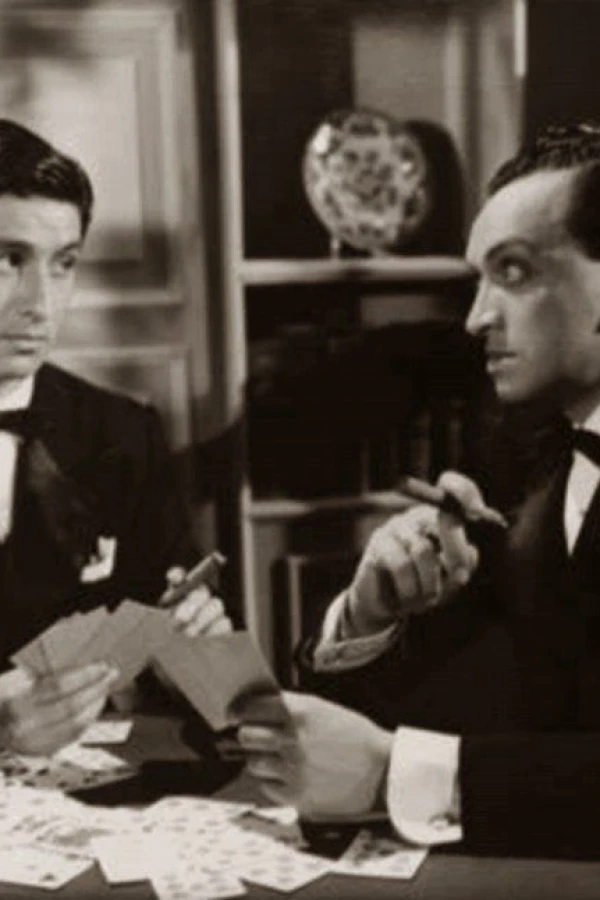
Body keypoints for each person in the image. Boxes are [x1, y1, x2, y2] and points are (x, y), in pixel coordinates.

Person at [237, 123, 600, 859]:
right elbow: (484, 716)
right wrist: (371, 612)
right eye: (478, 279)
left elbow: (398, 760)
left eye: (515, 271)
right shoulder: (526, 456)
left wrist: (394, 772)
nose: (477, 318)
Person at [0, 119, 231, 758]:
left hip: (82, 794)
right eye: (8, 259)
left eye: (64, 264)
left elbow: (200, 675)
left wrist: (196, 655)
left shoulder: (120, 432)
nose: (41, 304)